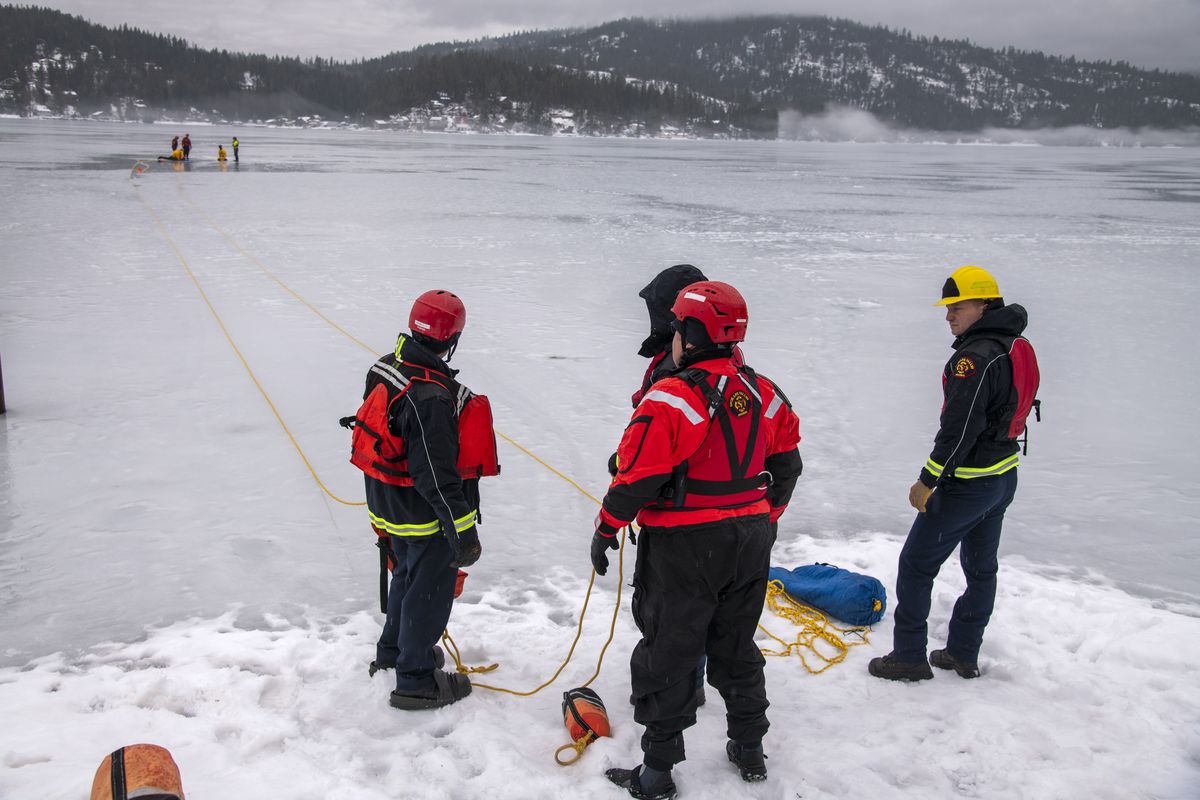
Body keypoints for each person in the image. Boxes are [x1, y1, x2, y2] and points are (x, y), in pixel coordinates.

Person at [591, 281, 804, 799]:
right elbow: (788, 465)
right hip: (750, 540)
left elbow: (636, 480)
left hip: (685, 546)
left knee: (670, 650)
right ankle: (750, 749)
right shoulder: (764, 391)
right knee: (735, 643)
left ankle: (657, 772)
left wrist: (605, 530)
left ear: (688, 332)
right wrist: (764, 517)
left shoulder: (672, 397)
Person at [868, 266, 1040, 682]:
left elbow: (960, 428)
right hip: (1003, 477)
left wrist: (928, 480)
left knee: (915, 565)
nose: (948, 316)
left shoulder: (974, 358)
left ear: (984, 305)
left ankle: (909, 655)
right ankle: (963, 653)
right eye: (947, 308)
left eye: (957, 307)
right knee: (982, 569)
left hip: (969, 483)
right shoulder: (1016, 344)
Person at [344, 289, 495, 710]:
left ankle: (394, 654)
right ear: (453, 339)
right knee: (430, 589)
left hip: (384, 500)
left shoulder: (385, 367)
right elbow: (437, 476)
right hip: (420, 510)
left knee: (407, 575)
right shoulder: (430, 396)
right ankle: (415, 680)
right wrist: (462, 530)